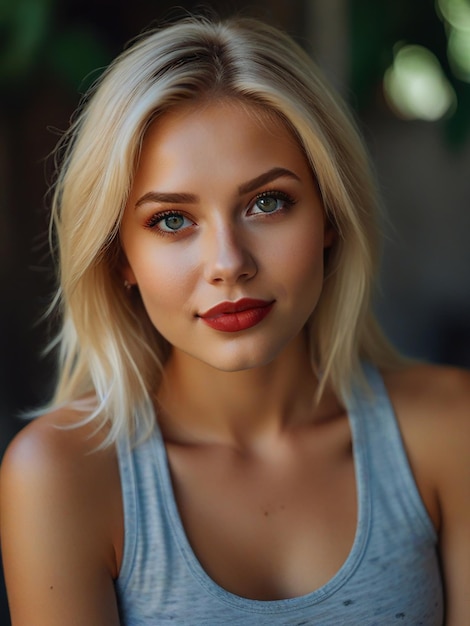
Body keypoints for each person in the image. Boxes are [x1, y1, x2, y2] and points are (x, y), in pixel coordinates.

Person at [0, 15, 469, 625]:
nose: (228, 264)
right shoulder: (64, 479)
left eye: (267, 203)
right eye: (172, 220)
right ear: (120, 258)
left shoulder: (448, 430)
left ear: (329, 216)